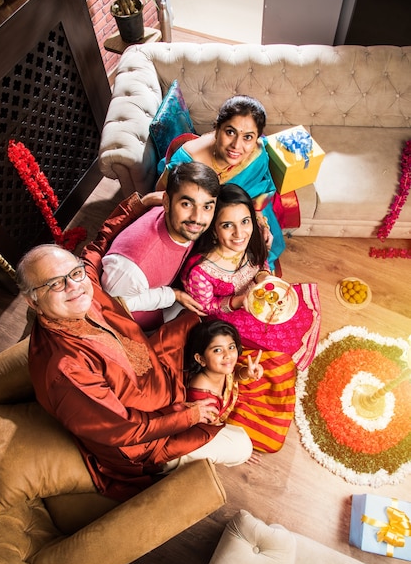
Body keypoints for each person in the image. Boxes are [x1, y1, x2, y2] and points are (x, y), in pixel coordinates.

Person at [15, 195, 252, 503]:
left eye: (73, 274)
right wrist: (188, 416)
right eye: (55, 285)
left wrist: (139, 203)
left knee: (198, 317)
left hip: (153, 369)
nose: (74, 286)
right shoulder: (65, 369)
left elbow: (97, 245)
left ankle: (197, 391)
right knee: (242, 445)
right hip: (145, 440)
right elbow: (123, 432)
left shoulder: (85, 285)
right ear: (32, 301)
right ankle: (172, 468)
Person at [181, 184, 321, 372]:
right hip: (230, 316)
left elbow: (261, 263)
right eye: (227, 225)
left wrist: (264, 277)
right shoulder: (200, 271)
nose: (239, 234)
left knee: (291, 315)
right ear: (213, 229)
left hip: (258, 297)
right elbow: (204, 307)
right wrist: (237, 301)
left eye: (245, 222)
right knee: (274, 350)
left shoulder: (253, 239)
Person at [156, 94, 287, 272]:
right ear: (217, 129)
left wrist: (260, 223)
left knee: (258, 245)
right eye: (230, 132)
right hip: (199, 221)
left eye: (248, 137)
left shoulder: (256, 156)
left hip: (235, 215)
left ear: (256, 138)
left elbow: (255, 192)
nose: (236, 145)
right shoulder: (187, 161)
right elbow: (162, 195)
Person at [101, 162, 220, 332]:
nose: (197, 217)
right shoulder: (131, 268)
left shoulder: (182, 223)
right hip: (140, 329)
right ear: (166, 202)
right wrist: (173, 295)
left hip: (169, 294)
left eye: (207, 206)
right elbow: (112, 303)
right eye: (187, 204)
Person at [185, 319, 264, 426]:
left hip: (230, 406)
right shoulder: (201, 391)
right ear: (200, 359)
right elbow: (211, 426)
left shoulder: (220, 368)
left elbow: (233, 375)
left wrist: (248, 372)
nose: (228, 355)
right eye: (217, 350)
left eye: (231, 347)